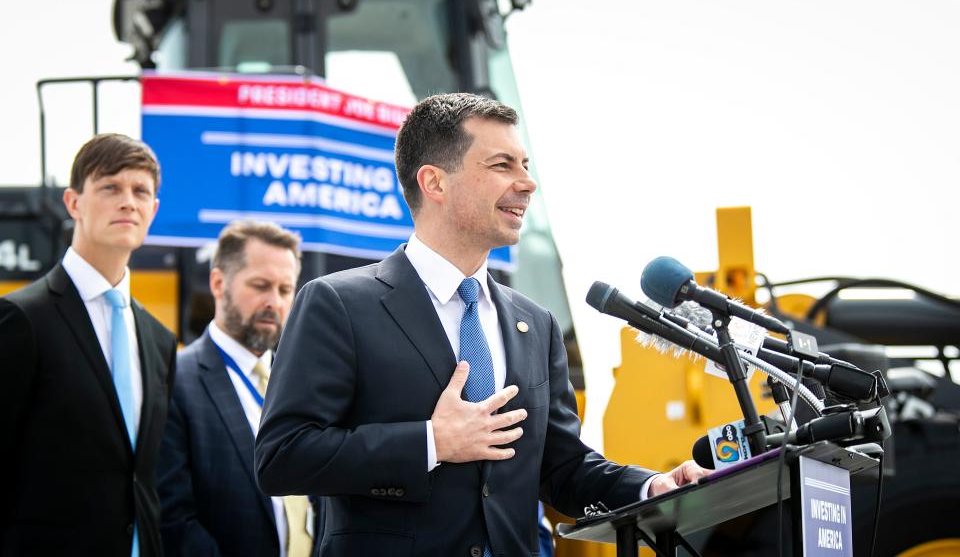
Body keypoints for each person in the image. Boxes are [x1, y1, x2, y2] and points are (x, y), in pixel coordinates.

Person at [255, 93, 708, 556]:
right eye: (502, 165)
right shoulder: (338, 304)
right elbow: (282, 456)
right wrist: (431, 442)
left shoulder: (537, 324)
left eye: (525, 164)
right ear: (435, 182)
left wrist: (650, 486)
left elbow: (561, 467)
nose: (527, 183)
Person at [0, 133, 177, 556]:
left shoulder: (159, 339)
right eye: (110, 187)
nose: (127, 201)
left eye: (140, 191)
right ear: (74, 203)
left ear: (152, 210)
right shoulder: (21, 319)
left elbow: (144, 477)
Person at [157, 220, 321, 557]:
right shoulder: (175, 381)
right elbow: (172, 520)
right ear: (218, 283)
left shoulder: (307, 382)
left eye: (285, 289)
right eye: (260, 285)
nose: (273, 302)